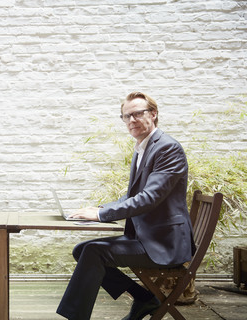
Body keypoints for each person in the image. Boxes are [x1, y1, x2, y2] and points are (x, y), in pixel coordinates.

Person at [56, 92, 195, 320]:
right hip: (147, 237)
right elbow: (132, 195)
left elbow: (148, 198)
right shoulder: (142, 147)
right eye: (126, 116)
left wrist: (102, 215)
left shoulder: (168, 148)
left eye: (137, 114)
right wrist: (97, 209)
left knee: (92, 252)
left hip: (163, 244)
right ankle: (144, 298)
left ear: (153, 114)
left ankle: (75, 316)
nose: (131, 120)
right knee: (81, 250)